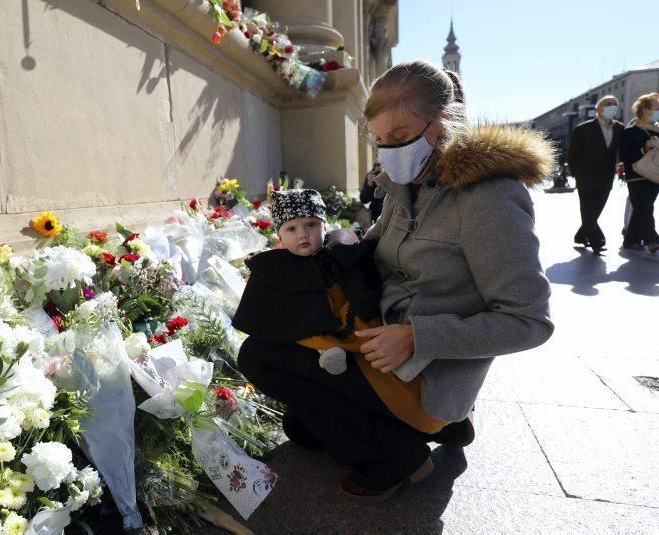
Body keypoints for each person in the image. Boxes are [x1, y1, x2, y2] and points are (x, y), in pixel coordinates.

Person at [237, 59, 554, 502]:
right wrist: (309, 252)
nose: (390, 152)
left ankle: (401, 457)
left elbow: (529, 322)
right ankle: (438, 427)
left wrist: (415, 337)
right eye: (381, 141)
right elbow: (374, 247)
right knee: (302, 430)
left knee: (259, 357)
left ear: (443, 124)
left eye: (401, 138)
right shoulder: (412, 181)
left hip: (420, 367)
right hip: (377, 339)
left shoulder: (491, 199)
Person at [232, 188, 383, 375]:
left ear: (324, 226)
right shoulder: (279, 268)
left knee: (357, 317)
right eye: (292, 229)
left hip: (343, 313)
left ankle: (347, 346)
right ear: (280, 237)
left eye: (311, 225)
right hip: (310, 322)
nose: (302, 234)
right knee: (299, 329)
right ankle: (327, 350)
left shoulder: (339, 248)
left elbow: (362, 278)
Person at [567, 95, 625, 254]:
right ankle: (597, 241)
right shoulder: (582, 129)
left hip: (606, 177)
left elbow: (624, 150)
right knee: (587, 211)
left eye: (615, 104)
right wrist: (575, 174)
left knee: (594, 212)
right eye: (608, 104)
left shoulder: (620, 128)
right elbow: (572, 155)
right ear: (598, 108)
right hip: (585, 176)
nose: (612, 106)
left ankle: (580, 236)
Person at [619, 93, 659, 252]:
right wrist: (644, 148)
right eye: (657, 107)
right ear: (644, 110)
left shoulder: (657, 130)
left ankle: (631, 240)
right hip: (636, 176)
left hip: (654, 177)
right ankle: (653, 240)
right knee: (645, 208)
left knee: (641, 209)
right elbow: (624, 155)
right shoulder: (630, 131)